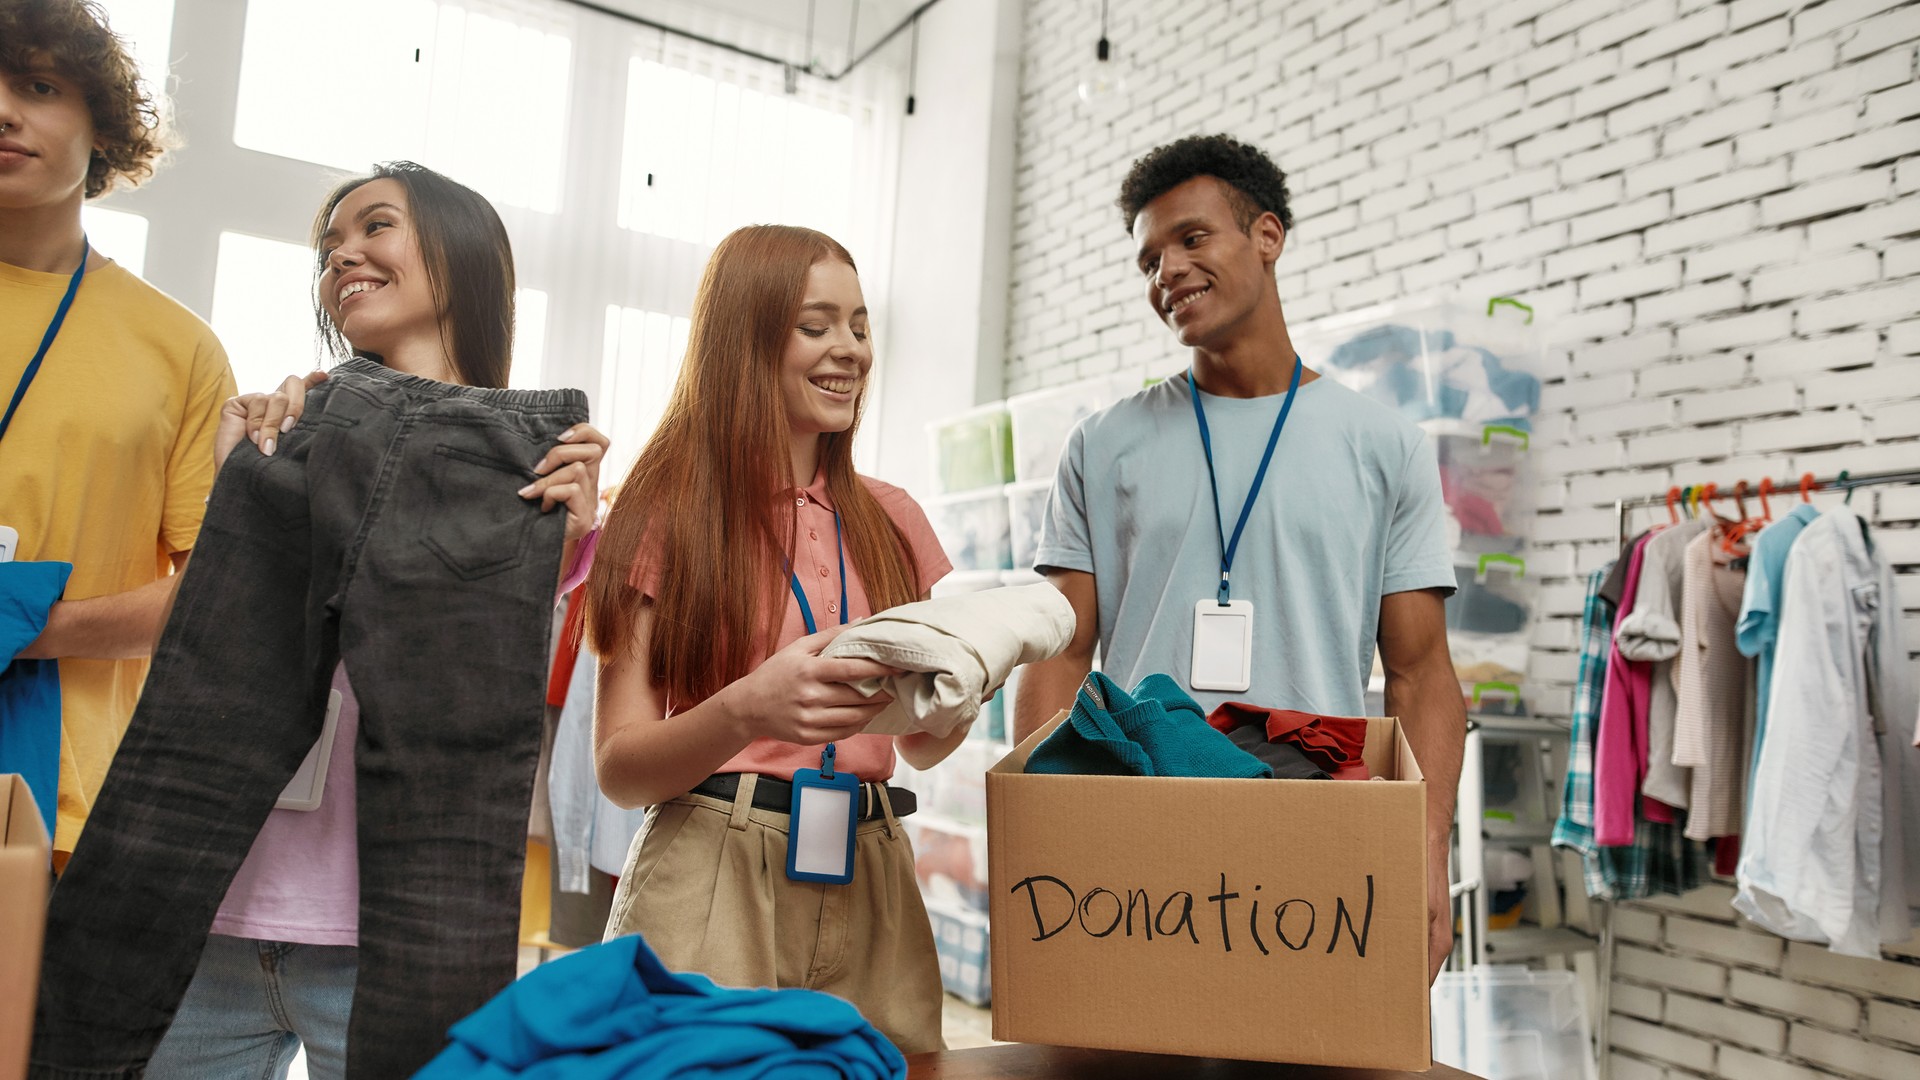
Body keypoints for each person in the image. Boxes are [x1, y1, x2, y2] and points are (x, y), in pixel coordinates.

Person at [139, 161, 607, 1079]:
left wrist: (561, 538)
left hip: (398, 931)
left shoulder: (539, 468)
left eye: (375, 227)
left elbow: (489, 702)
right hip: (212, 913)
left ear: (458, 253)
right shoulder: (288, 428)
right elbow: (209, 662)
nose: (343, 254)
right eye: (330, 246)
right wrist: (245, 485)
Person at [1012, 134, 1467, 982]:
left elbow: (1421, 671)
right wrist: (1036, 835)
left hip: (1315, 825)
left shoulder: (1384, 445)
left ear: (1267, 236)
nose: (1166, 272)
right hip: (1133, 816)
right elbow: (1062, 649)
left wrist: (1426, 849)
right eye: (1149, 258)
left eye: (1191, 239)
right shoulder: (1104, 443)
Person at [587, 224, 959, 1054]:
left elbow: (928, 747)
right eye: (816, 324)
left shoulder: (895, 519)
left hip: (874, 871)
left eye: (860, 326)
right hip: (711, 868)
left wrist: (963, 691)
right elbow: (617, 767)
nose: (850, 350)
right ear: (745, 337)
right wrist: (747, 709)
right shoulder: (663, 514)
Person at [0, 0, 234, 866]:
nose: (4, 109)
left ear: (101, 122)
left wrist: (29, 624)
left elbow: (213, 593)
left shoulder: (179, 349)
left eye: (38, 85)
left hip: (61, 810)